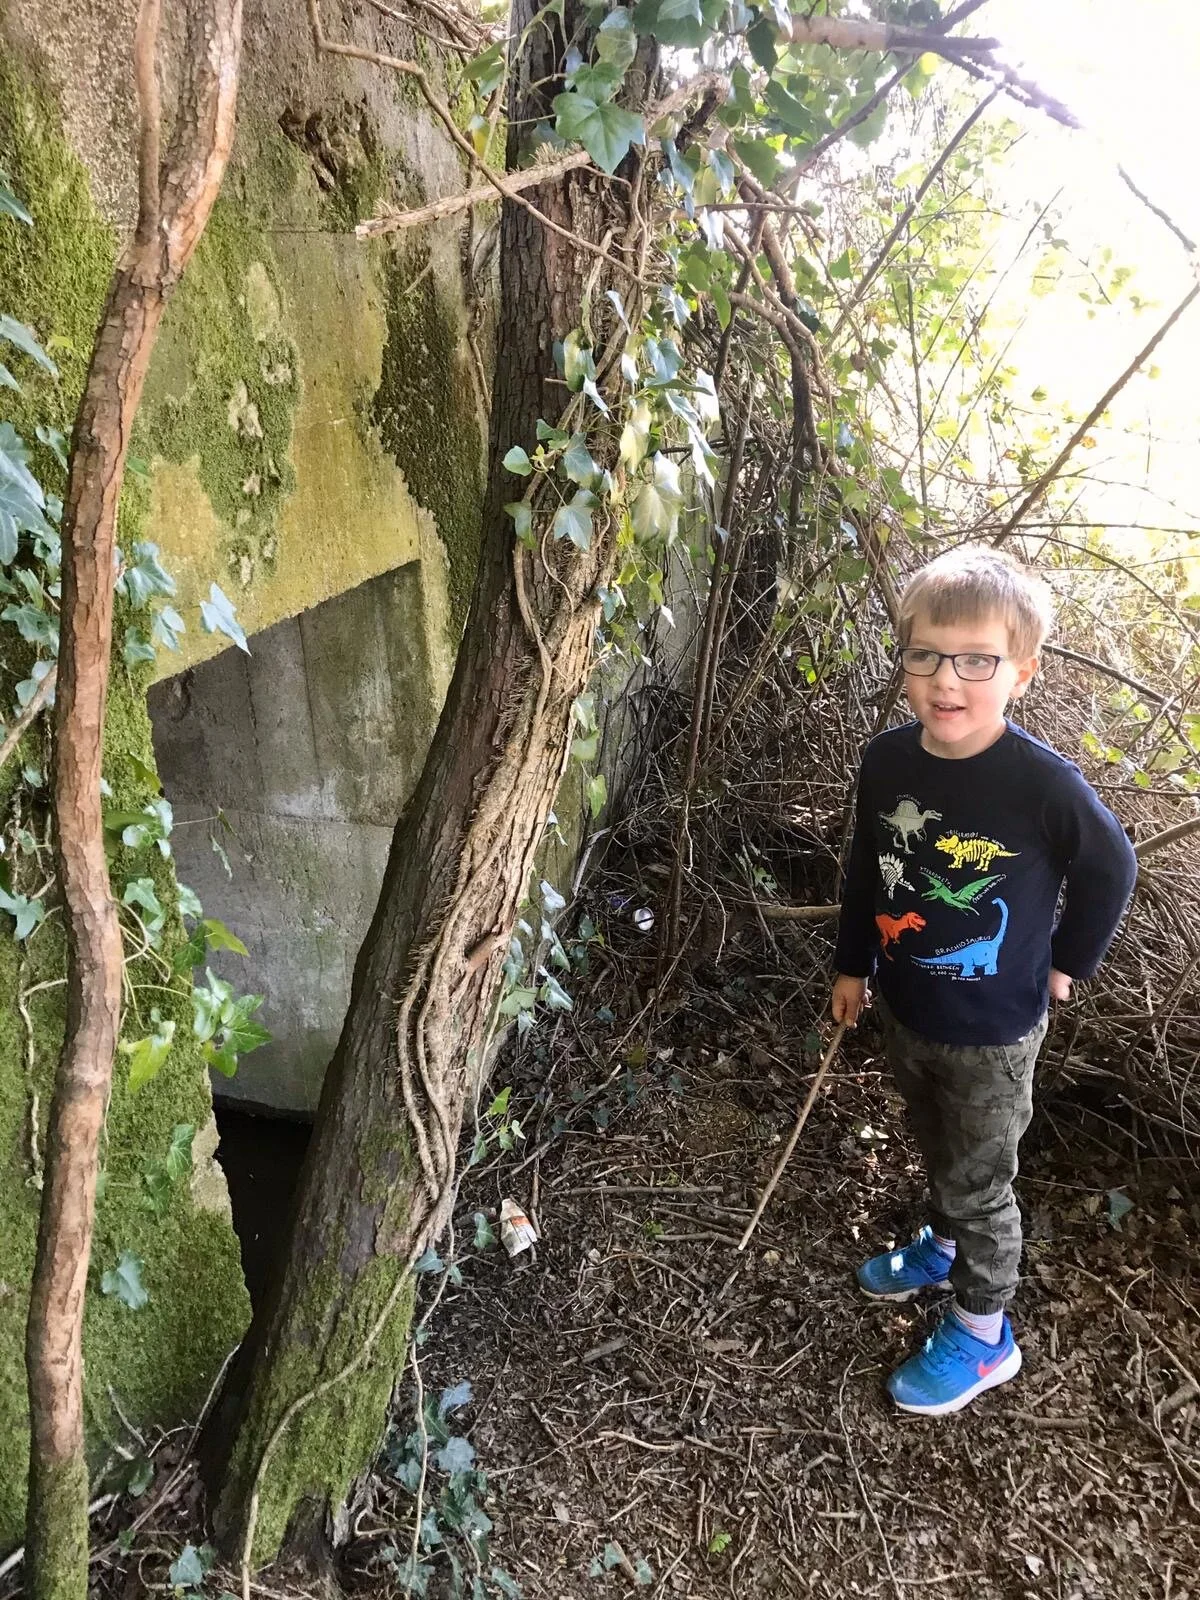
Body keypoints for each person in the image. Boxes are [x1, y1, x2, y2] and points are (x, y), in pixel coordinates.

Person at [831, 544, 1136, 1416]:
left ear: (1022, 672)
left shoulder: (1040, 783)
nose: (945, 680)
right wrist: (854, 964)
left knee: (980, 1179)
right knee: (936, 1143)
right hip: (908, 1003)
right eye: (923, 654)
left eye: (976, 660)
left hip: (994, 1031)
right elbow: (868, 870)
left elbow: (1111, 869)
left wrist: (1070, 963)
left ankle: (980, 1334)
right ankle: (942, 1242)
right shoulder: (888, 762)